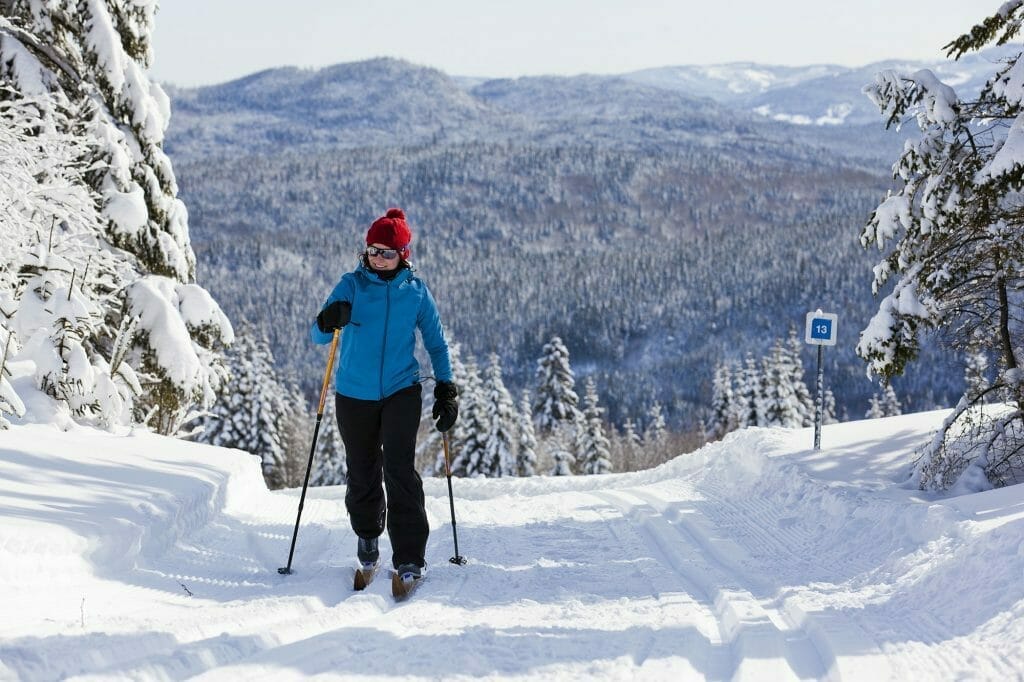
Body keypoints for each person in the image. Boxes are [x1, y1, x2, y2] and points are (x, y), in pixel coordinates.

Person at [311, 207, 459, 586]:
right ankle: (367, 536)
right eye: (373, 250)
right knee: (362, 471)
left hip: (400, 390)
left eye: (387, 252)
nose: (377, 257)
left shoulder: (416, 292)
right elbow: (318, 334)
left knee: (399, 470)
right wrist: (329, 319)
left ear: (403, 255)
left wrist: (446, 388)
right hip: (353, 394)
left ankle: (409, 557)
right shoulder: (351, 286)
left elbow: (437, 344)